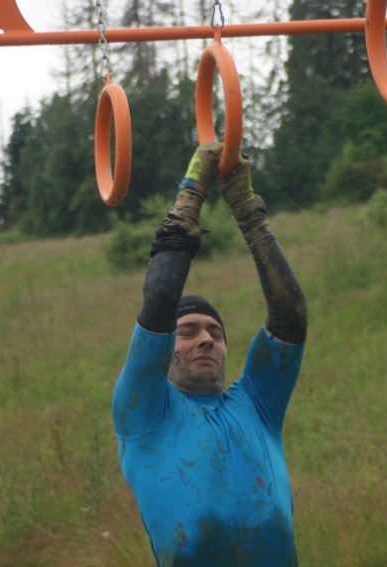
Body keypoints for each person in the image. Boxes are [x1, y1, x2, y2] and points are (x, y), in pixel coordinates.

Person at [111, 142, 307, 566]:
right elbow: (161, 299)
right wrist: (193, 190)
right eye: (188, 331)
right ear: (161, 350)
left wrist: (247, 212)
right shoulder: (144, 411)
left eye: (215, 333)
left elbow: (289, 319)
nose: (206, 339)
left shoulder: (258, 406)